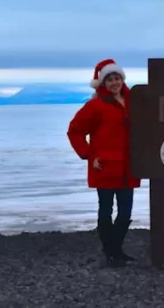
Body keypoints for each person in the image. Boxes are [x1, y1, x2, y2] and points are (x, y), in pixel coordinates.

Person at [67, 58, 141, 267]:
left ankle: (115, 250)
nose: (115, 83)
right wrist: (89, 154)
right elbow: (75, 131)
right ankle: (111, 252)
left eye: (117, 78)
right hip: (105, 167)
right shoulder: (95, 106)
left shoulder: (134, 102)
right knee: (106, 211)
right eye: (110, 80)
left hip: (129, 167)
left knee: (125, 213)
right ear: (102, 83)